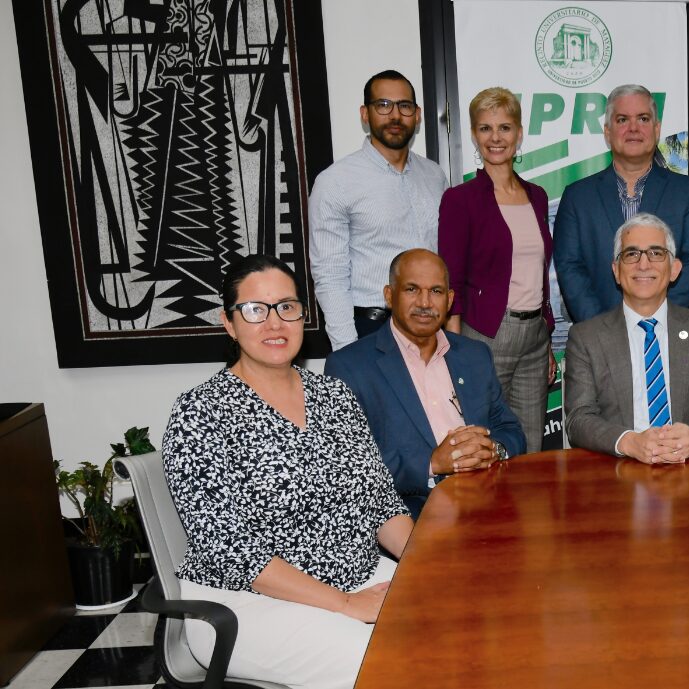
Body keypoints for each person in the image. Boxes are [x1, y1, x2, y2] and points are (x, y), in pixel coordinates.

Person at [162, 255, 413, 689]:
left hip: (356, 576)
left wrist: (426, 568)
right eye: (255, 310)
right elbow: (235, 551)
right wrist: (345, 604)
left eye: (287, 307)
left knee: (453, 619)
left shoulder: (334, 397)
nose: (274, 323)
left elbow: (382, 506)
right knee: (381, 665)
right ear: (229, 323)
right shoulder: (200, 413)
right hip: (244, 601)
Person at [325, 249, 526, 514]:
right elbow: (347, 466)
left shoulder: (475, 355)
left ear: (450, 300)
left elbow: (510, 429)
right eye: (411, 289)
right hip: (411, 516)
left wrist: (493, 450)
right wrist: (431, 464)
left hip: (487, 501)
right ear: (389, 295)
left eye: (436, 291)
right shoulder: (350, 367)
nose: (425, 302)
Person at [564, 213, 689, 463]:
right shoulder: (586, 338)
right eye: (631, 254)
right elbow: (578, 420)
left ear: (674, 269)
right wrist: (629, 442)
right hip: (616, 472)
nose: (643, 264)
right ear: (616, 270)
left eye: (656, 253)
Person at [438, 87, 554, 453]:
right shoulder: (461, 199)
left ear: (519, 134)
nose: (495, 138)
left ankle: (528, 512)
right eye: (485, 128)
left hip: (535, 335)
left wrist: (547, 339)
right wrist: (454, 350)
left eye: (504, 128)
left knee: (530, 442)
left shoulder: (536, 195)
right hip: (486, 336)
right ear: (474, 135)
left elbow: (538, 271)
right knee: (483, 438)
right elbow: (451, 280)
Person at [309, 69, 448, 351]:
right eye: (383, 105)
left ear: (417, 115)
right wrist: (348, 350)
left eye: (404, 106)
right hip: (370, 330)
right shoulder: (335, 182)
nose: (395, 115)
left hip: (431, 328)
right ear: (365, 113)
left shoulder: (434, 176)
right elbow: (330, 275)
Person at [553, 84, 689, 323]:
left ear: (657, 129)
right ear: (607, 132)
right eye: (622, 120)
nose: (633, 128)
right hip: (599, 338)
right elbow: (570, 269)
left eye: (643, 118)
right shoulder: (577, 197)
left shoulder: (688, 192)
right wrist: (606, 330)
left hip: (671, 334)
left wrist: (653, 320)